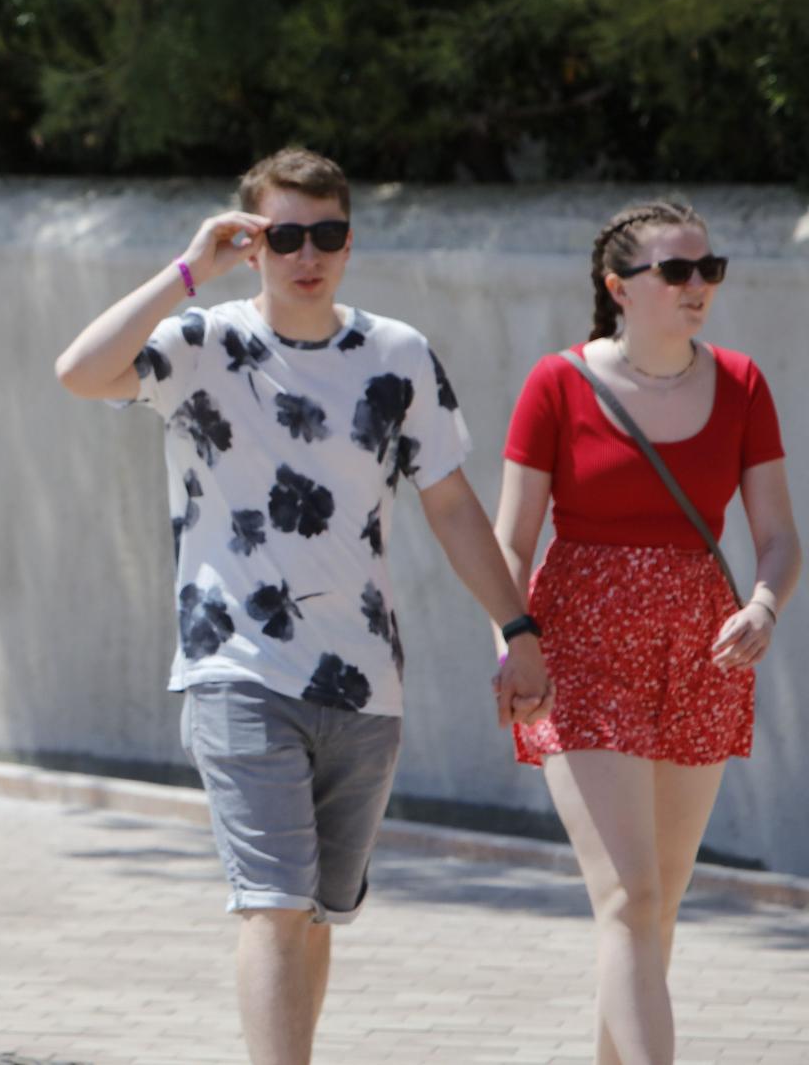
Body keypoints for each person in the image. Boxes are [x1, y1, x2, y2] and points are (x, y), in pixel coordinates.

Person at [54, 148, 551, 1065]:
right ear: (253, 245)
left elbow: (450, 504)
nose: (306, 254)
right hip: (236, 669)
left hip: (365, 681)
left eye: (325, 234)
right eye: (284, 236)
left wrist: (517, 627)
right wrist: (185, 272)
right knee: (274, 904)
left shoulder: (398, 357)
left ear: (349, 241)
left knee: (317, 912)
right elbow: (81, 371)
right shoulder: (204, 342)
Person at [494, 200, 800, 1065]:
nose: (698, 286)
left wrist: (765, 604)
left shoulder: (741, 383)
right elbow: (512, 541)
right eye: (677, 271)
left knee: (659, 903)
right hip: (581, 646)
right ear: (619, 287)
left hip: (704, 647)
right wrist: (512, 641)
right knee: (627, 896)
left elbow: (778, 534)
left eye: (710, 269)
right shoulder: (557, 383)